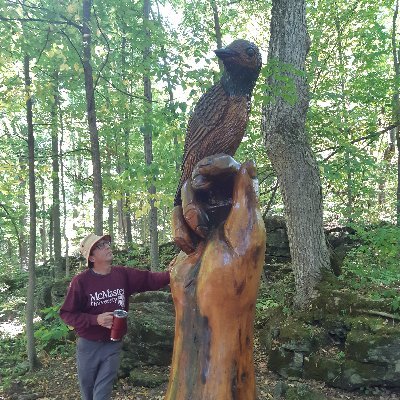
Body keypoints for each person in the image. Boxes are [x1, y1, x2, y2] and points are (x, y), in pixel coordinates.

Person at [60, 233, 170, 400]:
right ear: (91, 257)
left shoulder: (122, 274)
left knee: (102, 394)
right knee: (88, 393)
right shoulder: (81, 282)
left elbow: (150, 279)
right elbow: (67, 313)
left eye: (106, 243)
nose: (107, 246)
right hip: (88, 346)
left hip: (113, 344)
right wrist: (95, 320)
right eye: (100, 246)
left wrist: (174, 273)